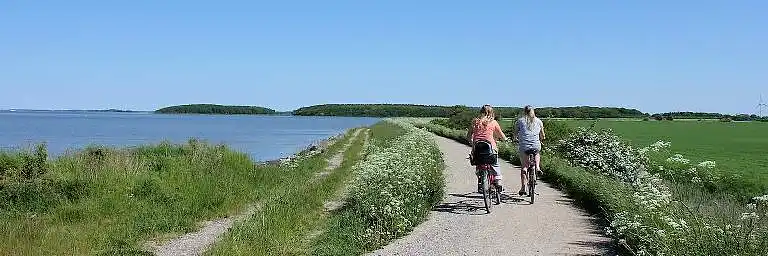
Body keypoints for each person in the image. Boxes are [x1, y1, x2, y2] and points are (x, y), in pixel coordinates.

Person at [466, 105, 509, 192]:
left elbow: (468, 136)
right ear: (491, 113)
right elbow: (501, 135)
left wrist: (472, 143)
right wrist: (505, 140)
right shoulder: (493, 122)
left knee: (478, 165)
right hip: (491, 149)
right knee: (495, 165)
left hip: (477, 149)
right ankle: (498, 183)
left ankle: (481, 180)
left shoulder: (475, 122)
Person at [513, 105, 546, 196]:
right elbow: (543, 135)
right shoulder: (539, 121)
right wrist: (541, 140)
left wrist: (515, 139)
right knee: (537, 152)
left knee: (524, 166)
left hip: (524, 146)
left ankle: (523, 188)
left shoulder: (520, 121)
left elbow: (515, 134)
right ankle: (538, 167)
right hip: (536, 145)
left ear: (524, 112)